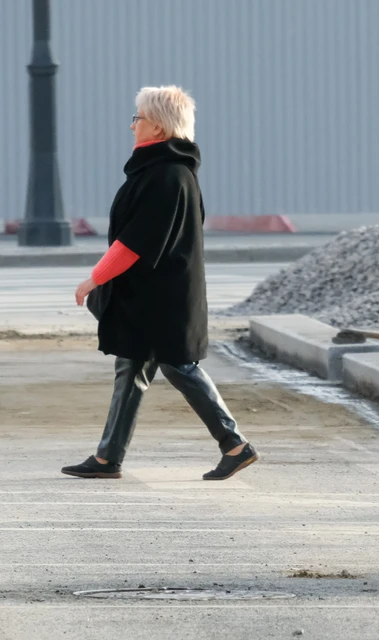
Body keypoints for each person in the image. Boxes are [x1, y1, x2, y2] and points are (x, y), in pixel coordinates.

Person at [62, 85, 258, 481]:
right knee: (132, 367)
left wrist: (93, 280)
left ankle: (235, 444)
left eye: (137, 118)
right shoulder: (164, 171)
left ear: (157, 127)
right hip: (153, 296)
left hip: (161, 299)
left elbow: (135, 242)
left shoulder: (167, 176)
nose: (132, 125)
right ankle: (107, 458)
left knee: (179, 366)